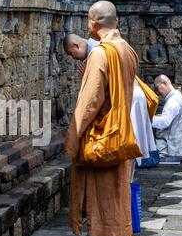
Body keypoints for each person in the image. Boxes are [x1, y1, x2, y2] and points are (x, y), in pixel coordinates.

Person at [64, 0, 139, 236]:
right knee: (120, 186)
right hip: (122, 129)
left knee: (103, 187)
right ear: (115, 21)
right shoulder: (126, 48)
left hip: (103, 134)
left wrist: (73, 136)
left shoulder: (100, 53)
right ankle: (124, 234)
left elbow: (90, 100)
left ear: (92, 24)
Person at [64, 34, 158, 169]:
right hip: (132, 96)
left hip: (128, 98)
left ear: (76, 46)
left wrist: (89, 78)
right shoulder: (109, 46)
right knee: (129, 145)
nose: (75, 58)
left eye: (73, 54)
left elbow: (97, 92)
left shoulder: (98, 52)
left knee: (126, 146)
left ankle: (126, 184)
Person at [152, 74, 182, 162]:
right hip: (178, 148)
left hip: (174, 150)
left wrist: (147, 119)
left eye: (157, 88)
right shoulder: (177, 97)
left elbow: (164, 122)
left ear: (164, 83)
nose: (157, 92)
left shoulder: (173, 101)